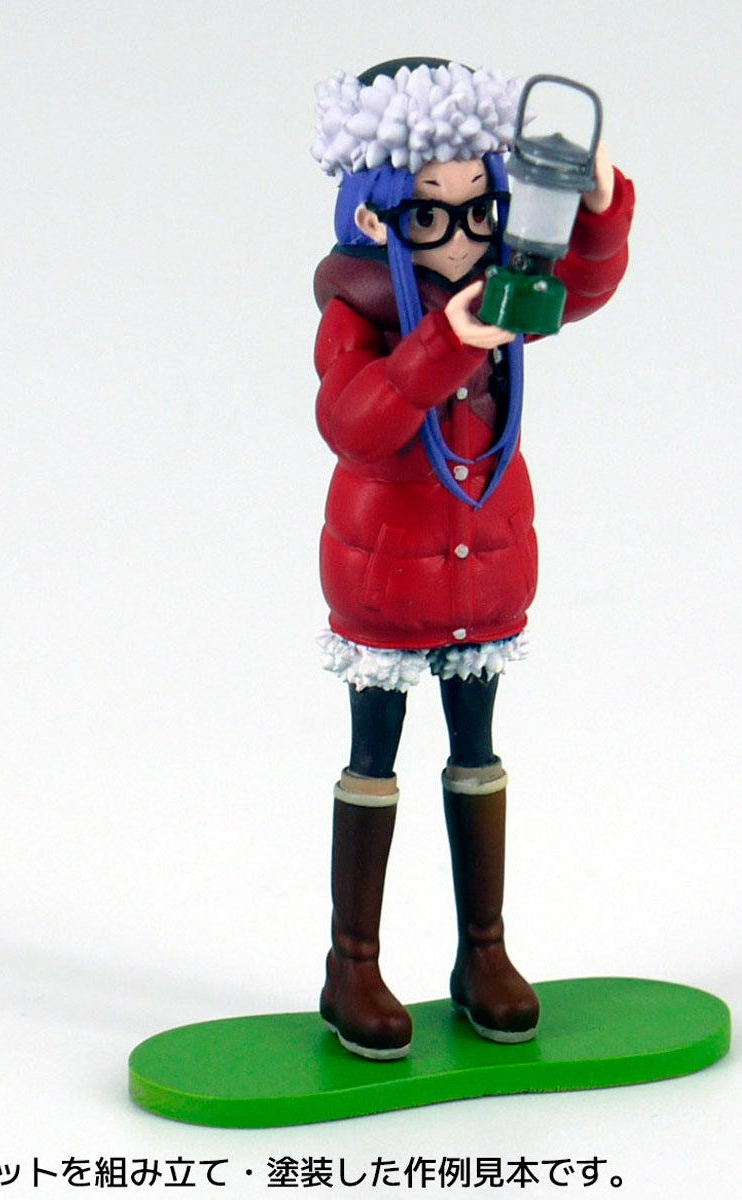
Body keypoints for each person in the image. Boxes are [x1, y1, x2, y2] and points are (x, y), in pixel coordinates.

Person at [312, 58, 634, 1060]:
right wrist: (444, 344)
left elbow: (585, 286)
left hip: (482, 567)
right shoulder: (359, 309)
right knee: (375, 760)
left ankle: (482, 954)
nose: (458, 237)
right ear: (376, 216)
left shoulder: (505, 289)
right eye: (429, 215)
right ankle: (352, 964)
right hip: (386, 573)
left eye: (478, 210)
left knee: (478, 754)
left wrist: (597, 203)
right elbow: (354, 422)